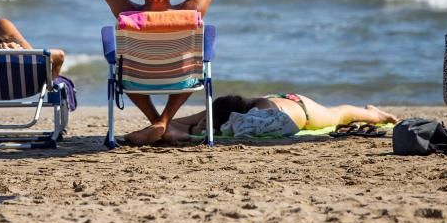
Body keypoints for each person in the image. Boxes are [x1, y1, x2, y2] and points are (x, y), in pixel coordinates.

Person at [91, 0, 224, 146]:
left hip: (135, 81)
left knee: (121, 65)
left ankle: (158, 122)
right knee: (195, 63)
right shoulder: (190, 11)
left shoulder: (126, 12)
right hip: (183, 81)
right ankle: (163, 123)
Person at [164, 94, 401, 142]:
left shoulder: (261, 110)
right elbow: (175, 123)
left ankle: (375, 114)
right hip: (284, 100)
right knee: (340, 112)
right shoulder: (224, 111)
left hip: (301, 109)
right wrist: (194, 124)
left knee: (339, 114)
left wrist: (198, 131)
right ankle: (372, 113)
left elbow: (241, 128)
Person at [0, 17, 66, 78]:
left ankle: (12, 56)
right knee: (2, 23)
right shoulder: (32, 76)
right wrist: (22, 53)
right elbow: (60, 56)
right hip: (30, 79)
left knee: (1, 24)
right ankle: (23, 56)